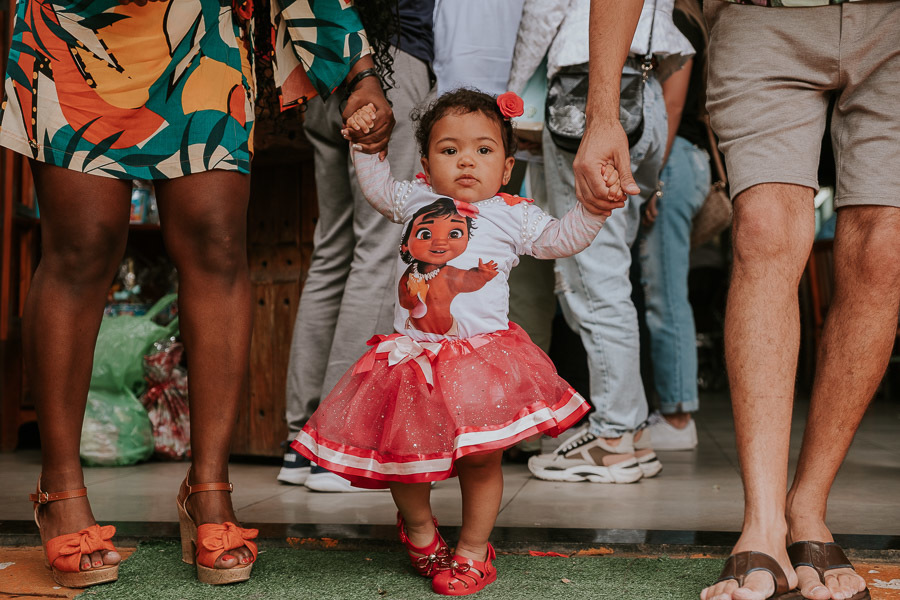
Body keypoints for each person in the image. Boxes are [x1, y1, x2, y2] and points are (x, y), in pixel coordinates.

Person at [0, 0, 389, 587]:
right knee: (81, 245)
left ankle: (209, 487)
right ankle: (59, 489)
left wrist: (356, 70)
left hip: (199, 26)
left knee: (216, 240)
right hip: (76, 22)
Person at [292, 89, 624, 596]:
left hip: (482, 362)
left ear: (507, 166)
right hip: (412, 363)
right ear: (424, 163)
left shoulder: (512, 213)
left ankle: (472, 551)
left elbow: (561, 238)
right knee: (406, 459)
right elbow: (376, 186)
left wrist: (596, 209)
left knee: (481, 460)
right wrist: (365, 146)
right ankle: (422, 533)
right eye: (449, 150)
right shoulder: (413, 199)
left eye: (484, 150)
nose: (467, 159)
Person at [697, 1, 898, 599]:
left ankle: (807, 508)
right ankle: (761, 523)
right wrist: (604, 105)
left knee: (886, 248)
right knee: (763, 228)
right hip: (760, 13)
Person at [509, 0, 694, 483]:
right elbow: (679, 51)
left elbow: (543, 14)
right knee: (612, 275)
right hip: (647, 95)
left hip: (587, 92)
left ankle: (613, 436)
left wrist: (505, 99)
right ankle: (632, 432)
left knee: (592, 279)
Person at [277, 0, 434, 493]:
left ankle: (301, 443)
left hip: (322, 70)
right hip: (387, 66)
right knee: (381, 246)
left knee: (333, 252)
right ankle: (337, 443)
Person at [639, 0, 711, 451]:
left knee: (664, 289)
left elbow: (672, 101)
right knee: (661, 287)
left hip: (673, 160)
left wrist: (652, 178)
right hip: (681, 159)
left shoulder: (676, 18)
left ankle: (679, 418)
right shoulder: (686, 17)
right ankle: (672, 409)